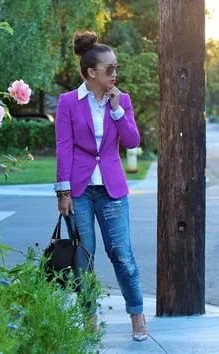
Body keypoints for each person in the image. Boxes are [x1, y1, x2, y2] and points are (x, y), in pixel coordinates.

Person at [54, 31, 147, 342]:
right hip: (78, 191)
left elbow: (133, 141)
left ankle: (137, 315)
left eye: (117, 68)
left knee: (122, 254)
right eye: (110, 69)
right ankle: (89, 318)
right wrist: (63, 192)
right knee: (84, 257)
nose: (115, 74)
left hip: (112, 190)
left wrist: (119, 109)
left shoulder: (122, 101)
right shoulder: (68, 102)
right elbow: (63, 147)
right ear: (92, 73)